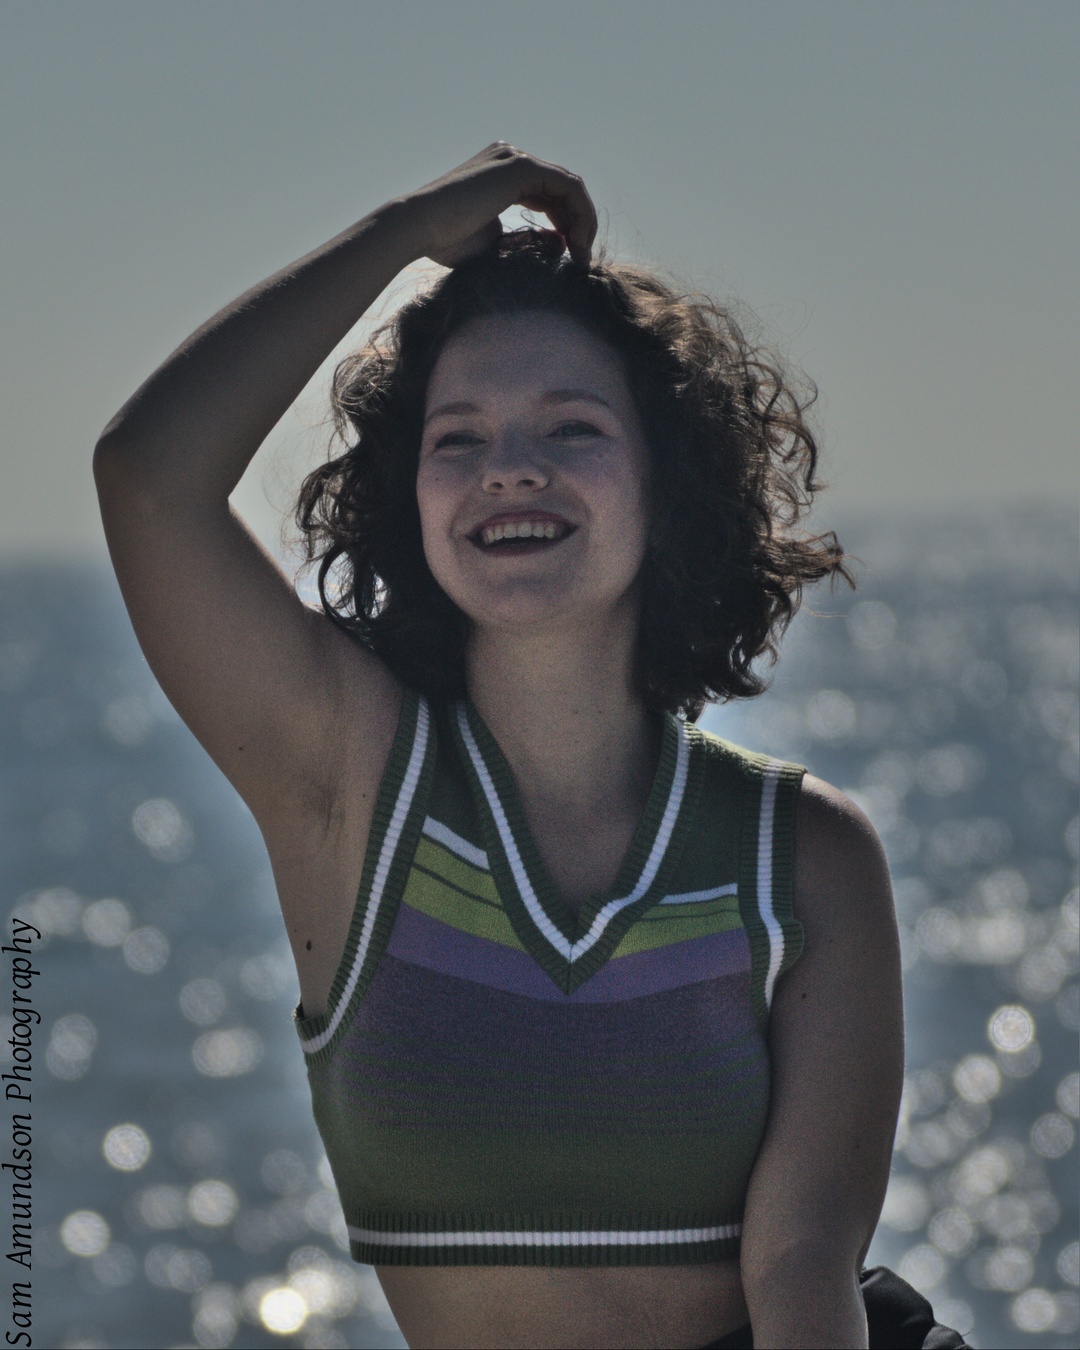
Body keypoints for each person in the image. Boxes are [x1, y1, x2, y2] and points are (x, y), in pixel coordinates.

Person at [94, 145, 967, 1349]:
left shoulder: (805, 853)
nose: (511, 465)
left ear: (668, 486)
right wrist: (401, 230)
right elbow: (148, 478)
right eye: (458, 439)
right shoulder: (348, 781)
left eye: (572, 427)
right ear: (409, 496)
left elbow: (803, 1264)